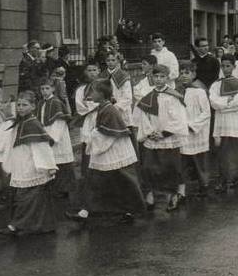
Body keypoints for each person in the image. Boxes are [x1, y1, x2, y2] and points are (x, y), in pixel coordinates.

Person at [65, 79, 146, 224]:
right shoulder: (103, 107)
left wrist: (90, 138)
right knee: (95, 180)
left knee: (125, 181)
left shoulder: (109, 109)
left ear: (102, 94)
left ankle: (131, 210)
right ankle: (86, 212)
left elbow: (105, 133)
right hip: (106, 148)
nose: (90, 94)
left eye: (93, 91)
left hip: (115, 150)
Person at [0, 90, 59, 237]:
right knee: (29, 198)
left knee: (26, 198)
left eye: (24, 105)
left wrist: (49, 166)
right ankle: (39, 225)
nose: (20, 108)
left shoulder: (32, 124)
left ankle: (16, 225)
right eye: (18, 105)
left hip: (31, 165)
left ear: (33, 106)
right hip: (21, 163)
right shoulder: (20, 122)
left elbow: (41, 147)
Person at [133, 64, 188, 210]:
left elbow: (179, 119)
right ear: (152, 77)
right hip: (152, 136)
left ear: (167, 77)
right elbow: (143, 117)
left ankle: (172, 196)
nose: (158, 79)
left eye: (162, 76)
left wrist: (164, 133)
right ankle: (150, 197)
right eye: (156, 76)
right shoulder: (148, 97)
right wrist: (150, 132)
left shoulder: (173, 96)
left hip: (168, 138)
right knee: (149, 167)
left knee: (169, 167)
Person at [209, 55, 238, 193]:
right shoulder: (216, 84)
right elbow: (213, 102)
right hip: (222, 122)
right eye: (223, 66)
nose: (225, 69)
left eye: (228, 66)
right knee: (222, 151)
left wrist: (224, 104)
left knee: (236, 150)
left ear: (234, 67)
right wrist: (227, 102)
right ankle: (223, 178)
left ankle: (234, 177)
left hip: (236, 122)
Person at [176, 61, 212, 198]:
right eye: (182, 73)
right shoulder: (177, 90)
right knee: (182, 162)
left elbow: (206, 113)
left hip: (196, 132)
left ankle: (204, 185)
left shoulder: (199, 91)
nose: (184, 76)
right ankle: (181, 191)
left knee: (199, 161)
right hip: (182, 132)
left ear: (193, 74)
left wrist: (191, 125)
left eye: (187, 73)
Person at [37, 77, 76, 200]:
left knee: (62, 164)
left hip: (57, 137)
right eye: (42, 89)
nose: (44, 91)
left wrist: (52, 138)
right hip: (45, 134)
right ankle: (53, 188)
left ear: (53, 89)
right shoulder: (41, 103)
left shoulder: (56, 102)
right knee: (51, 163)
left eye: (47, 88)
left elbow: (59, 122)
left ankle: (64, 189)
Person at [73, 63, 101, 202]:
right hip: (89, 120)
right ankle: (89, 182)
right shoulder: (81, 89)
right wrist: (94, 106)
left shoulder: (104, 86)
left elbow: (109, 101)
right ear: (85, 72)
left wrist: (97, 106)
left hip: (102, 119)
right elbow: (80, 106)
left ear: (99, 71)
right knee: (88, 148)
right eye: (89, 70)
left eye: (94, 70)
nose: (92, 73)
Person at [101, 51, 134, 120]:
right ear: (105, 61)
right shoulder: (102, 76)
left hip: (121, 109)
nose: (110, 62)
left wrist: (116, 107)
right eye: (108, 60)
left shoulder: (124, 76)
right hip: (106, 109)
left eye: (113, 60)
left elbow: (128, 97)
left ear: (118, 61)